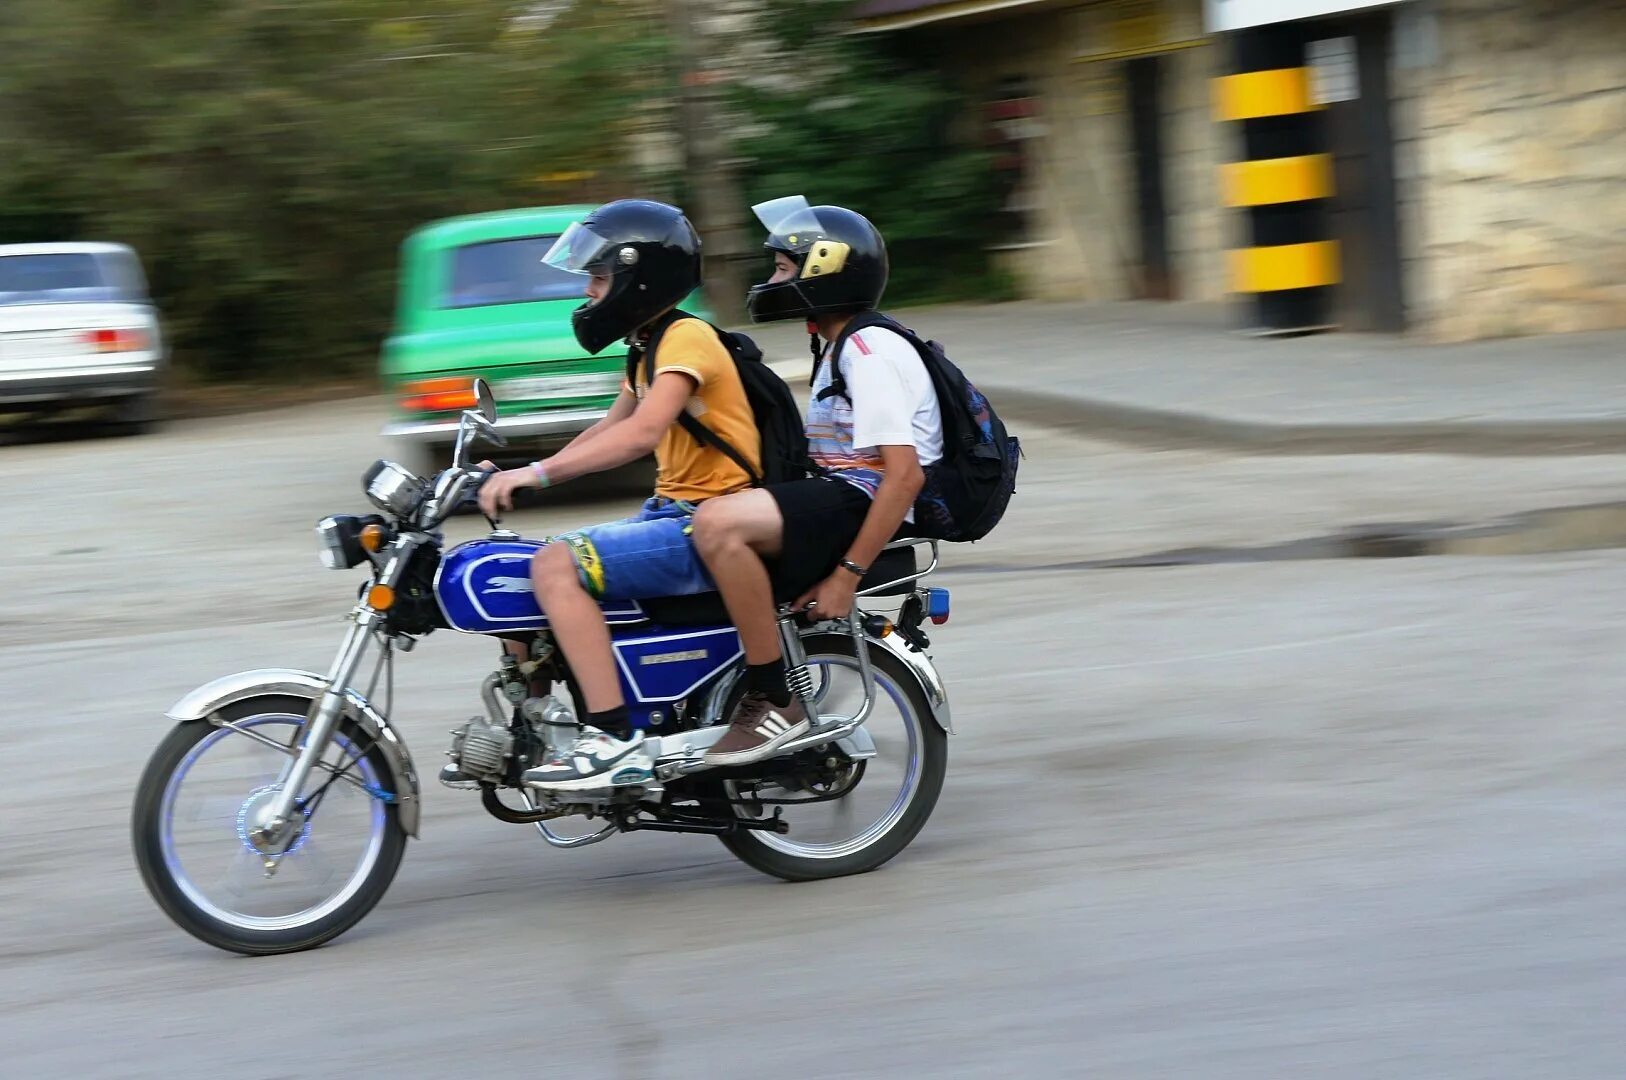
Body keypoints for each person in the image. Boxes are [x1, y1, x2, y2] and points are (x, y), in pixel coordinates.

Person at [476, 198, 761, 793]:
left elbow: (641, 433)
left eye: (600, 278)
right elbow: (608, 427)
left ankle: (612, 740)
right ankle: (537, 721)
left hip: (707, 522)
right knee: (526, 568)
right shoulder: (647, 346)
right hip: (672, 512)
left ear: (640, 278)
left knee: (556, 566)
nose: (589, 292)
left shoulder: (687, 339)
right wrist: (522, 469)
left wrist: (539, 478)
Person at [691, 197, 943, 766]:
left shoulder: (869, 351)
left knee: (718, 525)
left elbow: (902, 476)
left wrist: (846, 578)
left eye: (783, 267)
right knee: (706, 513)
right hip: (844, 498)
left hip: (862, 504)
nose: (771, 279)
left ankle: (776, 699)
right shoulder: (842, 345)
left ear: (825, 270)